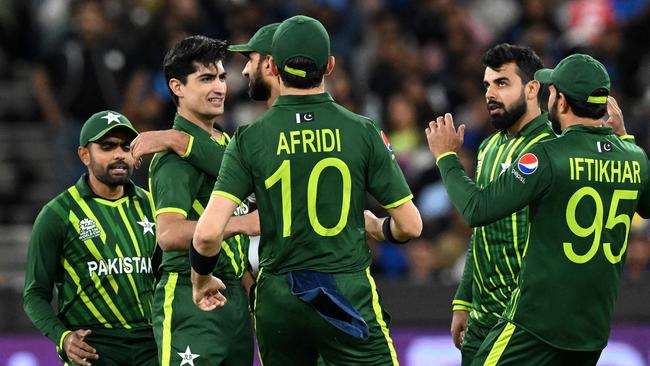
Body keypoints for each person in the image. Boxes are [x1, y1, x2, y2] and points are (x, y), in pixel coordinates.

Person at [190, 15, 422, 366]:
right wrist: (377, 227)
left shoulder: (248, 138)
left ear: (272, 65)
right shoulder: (363, 131)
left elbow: (206, 235)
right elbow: (410, 226)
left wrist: (201, 280)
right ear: (329, 65)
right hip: (345, 292)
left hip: (279, 298)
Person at [426, 54, 650, 365]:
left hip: (535, 324)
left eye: (552, 91)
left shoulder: (546, 155)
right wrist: (625, 137)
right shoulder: (634, 156)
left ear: (561, 102)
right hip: (591, 330)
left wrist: (446, 158)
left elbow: (477, 210)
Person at [148, 35, 259, 366]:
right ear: (177, 87)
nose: (220, 87)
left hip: (234, 300)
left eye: (223, 77)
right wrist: (242, 224)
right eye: (206, 78)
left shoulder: (228, 143)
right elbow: (168, 235)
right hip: (188, 299)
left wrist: (249, 289)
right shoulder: (172, 161)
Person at [23, 111, 158, 366]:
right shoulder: (57, 214)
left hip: (150, 345)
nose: (119, 154)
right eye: (107, 146)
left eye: (126, 146)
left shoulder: (153, 205)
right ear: (84, 155)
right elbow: (34, 294)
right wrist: (62, 338)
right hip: (93, 348)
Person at [449, 44, 553, 364]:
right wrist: (464, 301)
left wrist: (445, 157)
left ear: (532, 88)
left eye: (502, 83)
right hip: (482, 318)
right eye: (487, 85)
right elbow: (482, 233)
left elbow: (475, 211)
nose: (490, 93)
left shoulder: (551, 148)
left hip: (523, 319)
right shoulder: (489, 147)